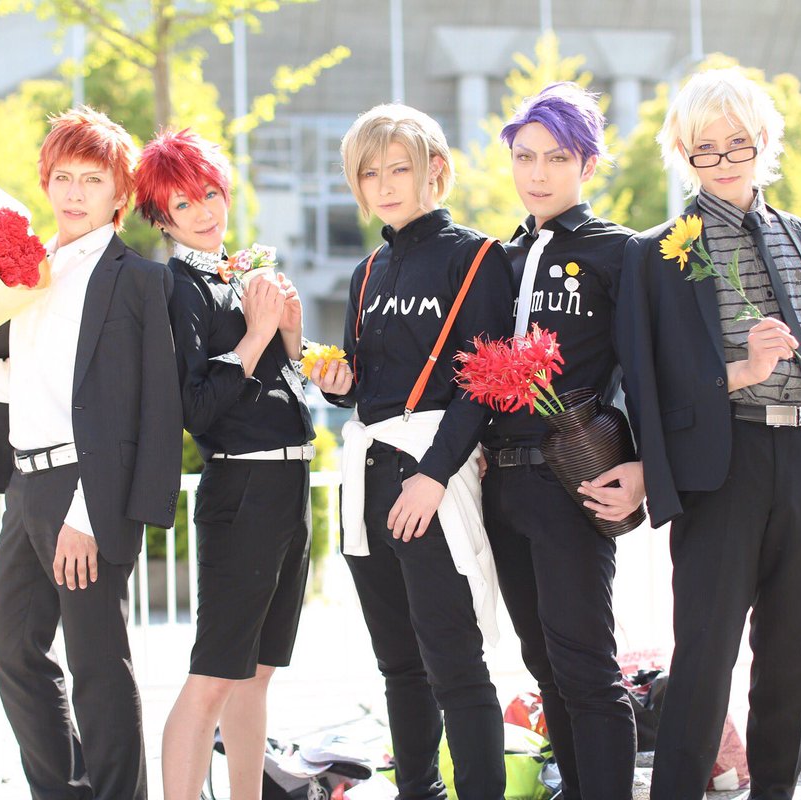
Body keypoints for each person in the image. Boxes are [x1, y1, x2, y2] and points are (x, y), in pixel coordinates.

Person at [616, 68, 801, 800]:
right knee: (704, 659)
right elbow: (647, 384)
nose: (725, 159)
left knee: (792, 659)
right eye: (705, 147)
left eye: (738, 142)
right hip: (720, 467)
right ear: (683, 154)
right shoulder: (655, 254)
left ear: (764, 141)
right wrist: (741, 370)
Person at [0, 106, 182, 800]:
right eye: (62, 176)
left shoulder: (138, 281)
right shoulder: (29, 274)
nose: (73, 192)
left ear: (120, 193)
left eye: (91, 179)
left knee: (97, 665)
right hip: (25, 485)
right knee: (12, 651)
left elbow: (142, 411)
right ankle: (63, 791)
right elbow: (16, 382)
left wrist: (88, 517)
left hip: (86, 490)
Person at [308, 103, 514, 800]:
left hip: (433, 474)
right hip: (367, 478)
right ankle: (417, 792)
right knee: (398, 666)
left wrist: (434, 475)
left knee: (456, 666)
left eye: (400, 168)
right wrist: (339, 383)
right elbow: (365, 385)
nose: (386, 184)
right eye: (370, 173)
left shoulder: (477, 257)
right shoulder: (368, 271)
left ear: (436, 171)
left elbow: (484, 384)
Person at [133, 128, 314, 800]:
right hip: (242, 485)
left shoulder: (240, 275)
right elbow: (196, 408)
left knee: (257, 673)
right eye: (183, 204)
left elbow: (284, 390)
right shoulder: (175, 287)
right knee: (213, 675)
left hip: (287, 481)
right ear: (161, 217)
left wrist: (289, 335)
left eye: (210, 193)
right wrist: (259, 332)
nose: (204, 211)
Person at [482, 82, 640, 800]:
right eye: (524, 156)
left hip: (573, 479)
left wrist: (642, 465)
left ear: (588, 165)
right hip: (503, 484)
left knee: (586, 670)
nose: (538, 173)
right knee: (543, 664)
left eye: (556, 157)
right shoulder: (499, 257)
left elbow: (646, 370)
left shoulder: (619, 253)